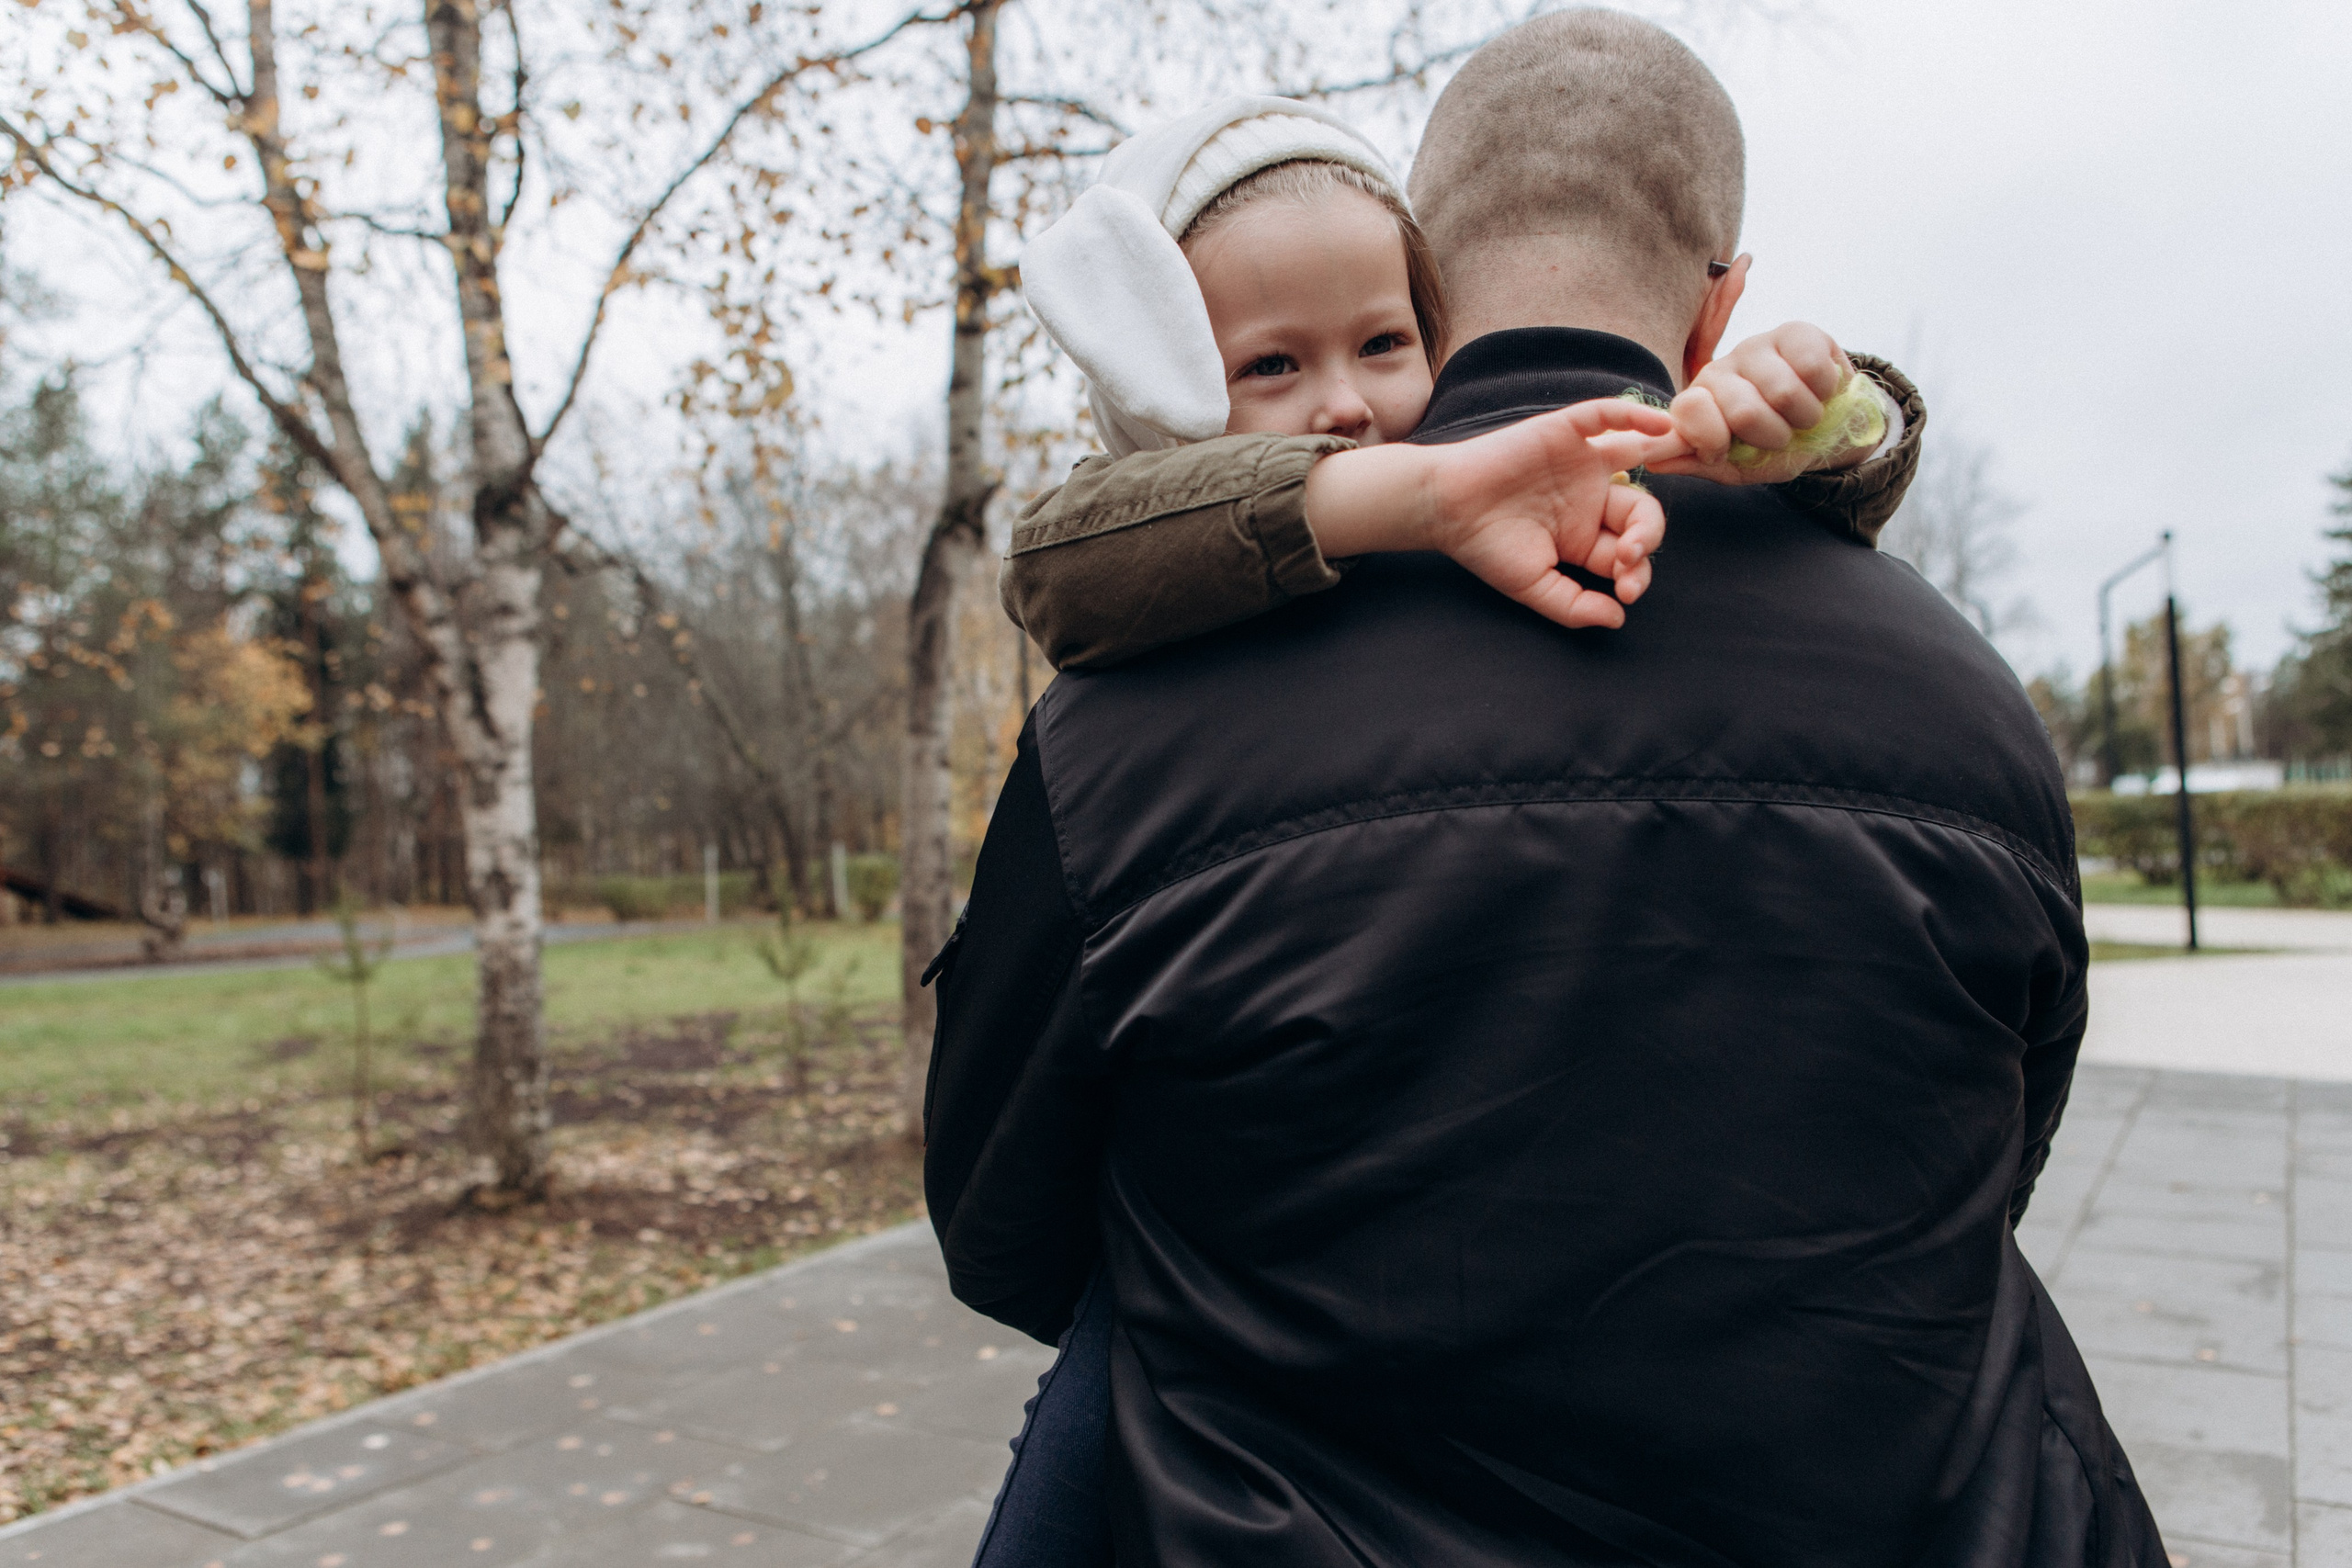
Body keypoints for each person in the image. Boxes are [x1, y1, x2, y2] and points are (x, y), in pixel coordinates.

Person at [927, 10, 2170, 1567]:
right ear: (1721, 304)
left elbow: (1000, 1220)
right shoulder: (1971, 697)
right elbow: (1996, 1164)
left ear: (1426, 273)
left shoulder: (1126, 721)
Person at [1005, 96, 1922, 671]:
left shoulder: (1498, 480)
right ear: (1155, 387)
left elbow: (1608, 458)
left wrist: (1820, 421)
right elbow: (1057, 567)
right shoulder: (1128, 570)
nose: (1347, 404)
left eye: (1382, 343)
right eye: (1271, 365)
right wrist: (1423, 495)